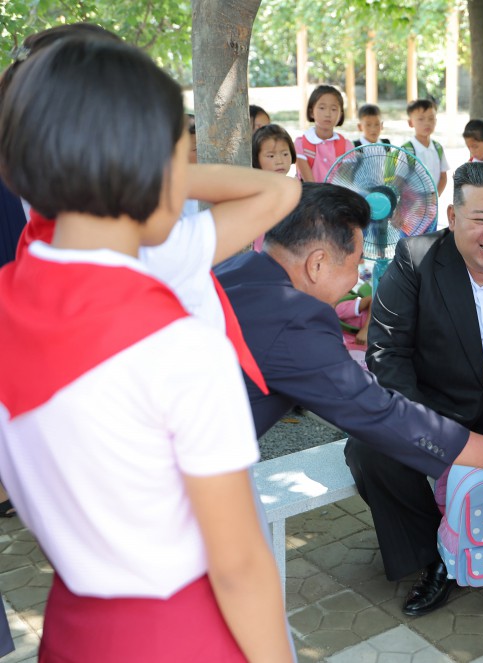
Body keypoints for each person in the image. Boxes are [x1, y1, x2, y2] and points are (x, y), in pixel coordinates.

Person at [0, 38, 296, 662]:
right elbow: (240, 565)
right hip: (180, 634)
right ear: (151, 163)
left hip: (73, 625)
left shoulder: (11, 297)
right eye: (179, 151)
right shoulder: (175, 346)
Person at [216, 179, 483, 616]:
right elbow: (381, 399)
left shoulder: (231, 272)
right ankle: (436, 555)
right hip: (177, 478)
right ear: (318, 263)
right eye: (358, 261)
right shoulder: (304, 318)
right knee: (370, 452)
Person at [345, 161, 483, 616]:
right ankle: (435, 557)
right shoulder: (415, 258)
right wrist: (436, 427)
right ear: (452, 217)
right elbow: (387, 355)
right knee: (370, 451)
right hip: (436, 409)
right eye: (480, 219)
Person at [295, 84, 352, 183]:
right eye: (322, 108)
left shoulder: (346, 146)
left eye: (334, 109)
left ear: (340, 114)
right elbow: (310, 183)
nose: (328, 114)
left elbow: (344, 182)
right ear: (311, 112)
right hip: (311, 196)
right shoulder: (301, 144)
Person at [400, 99, 449, 196]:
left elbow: (443, 176)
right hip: (412, 205)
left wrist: (436, 195)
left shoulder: (438, 147)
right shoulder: (406, 150)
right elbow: (400, 179)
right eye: (421, 119)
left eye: (431, 118)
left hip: (433, 205)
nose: (427, 123)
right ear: (410, 123)